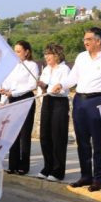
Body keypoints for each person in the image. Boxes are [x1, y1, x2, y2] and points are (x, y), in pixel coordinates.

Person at [54, 27, 101, 191]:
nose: (85, 42)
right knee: (82, 142)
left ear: (98, 41)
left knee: (98, 142)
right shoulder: (81, 57)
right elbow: (73, 78)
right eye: (84, 39)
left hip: (98, 101)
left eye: (88, 39)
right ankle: (86, 176)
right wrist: (62, 85)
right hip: (80, 101)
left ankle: (99, 179)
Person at [0, 40, 40, 175]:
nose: (16, 54)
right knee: (12, 133)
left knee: (24, 133)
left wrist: (14, 92)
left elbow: (32, 85)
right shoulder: (12, 66)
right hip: (12, 99)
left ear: (26, 52)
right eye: (14, 51)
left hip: (25, 99)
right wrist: (3, 99)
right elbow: (6, 85)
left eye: (18, 51)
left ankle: (23, 165)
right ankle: (13, 164)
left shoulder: (32, 65)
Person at [36, 44, 70, 181]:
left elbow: (63, 90)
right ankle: (47, 166)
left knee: (58, 137)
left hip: (59, 103)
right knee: (45, 136)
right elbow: (41, 91)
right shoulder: (46, 70)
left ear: (57, 55)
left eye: (49, 54)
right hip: (47, 101)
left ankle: (58, 170)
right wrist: (42, 88)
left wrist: (47, 87)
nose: (46, 57)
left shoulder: (64, 69)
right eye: (45, 54)